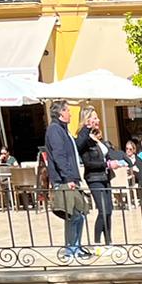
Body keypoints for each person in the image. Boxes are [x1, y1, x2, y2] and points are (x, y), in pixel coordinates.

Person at [44, 100, 90, 258]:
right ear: (61, 113)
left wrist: (86, 129)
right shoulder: (55, 130)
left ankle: (76, 246)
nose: (70, 113)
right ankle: (71, 249)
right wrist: (68, 177)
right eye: (68, 110)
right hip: (64, 180)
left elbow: (75, 147)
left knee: (80, 212)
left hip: (72, 179)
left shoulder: (64, 130)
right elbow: (59, 156)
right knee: (73, 214)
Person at [76, 107, 123, 245]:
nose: (98, 120)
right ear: (87, 119)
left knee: (109, 210)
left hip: (105, 177)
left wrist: (115, 160)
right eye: (95, 118)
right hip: (94, 178)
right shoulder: (83, 137)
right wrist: (107, 165)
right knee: (102, 210)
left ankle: (109, 241)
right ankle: (97, 243)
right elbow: (88, 162)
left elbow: (105, 155)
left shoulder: (96, 137)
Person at [122, 137, 142, 205]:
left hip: (138, 179)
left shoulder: (137, 160)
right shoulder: (123, 159)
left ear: (134, 150)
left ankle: (141, 199)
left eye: (130, 149)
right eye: (127, 149)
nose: (128, 150)